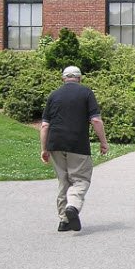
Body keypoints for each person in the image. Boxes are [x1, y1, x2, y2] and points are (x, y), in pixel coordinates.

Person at [40, 65, 108, 232]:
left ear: (63, 78)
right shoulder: (86, 93)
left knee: (63, 181)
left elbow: (44, 125)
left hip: (55, 143)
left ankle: (63, 221)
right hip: (77, 144)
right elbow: (96, 120)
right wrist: (103, 142)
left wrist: (44, 149)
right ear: (79, 78)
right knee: (81, 179)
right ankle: (73, 206)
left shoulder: (54, 95)